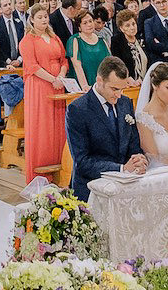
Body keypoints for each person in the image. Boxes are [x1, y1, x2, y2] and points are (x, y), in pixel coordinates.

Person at [62, 57, 145, 201]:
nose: (119, 95)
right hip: (91, 189)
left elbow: (133, 143)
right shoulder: (78, 109)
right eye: (114, 89)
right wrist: (121, 169)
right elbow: (82, 162)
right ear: (99, 81)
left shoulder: (125, 103)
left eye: (122, 89)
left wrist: (138, 159)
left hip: (125, 186)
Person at [18, 1, 70, 182]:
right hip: (40, 85)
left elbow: (64, 60)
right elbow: (32, 66)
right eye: (39, 17)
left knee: (58, 124)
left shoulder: (55, 37)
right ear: (32, 20)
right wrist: (52, 79)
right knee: (43, 125)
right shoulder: (27, 40)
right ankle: (40, 171)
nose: (44, 20)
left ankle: (59, 165)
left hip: (58, 83)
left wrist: (61, 75)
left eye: (46, 16)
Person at [68, 6, 112, 89]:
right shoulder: (75, 40)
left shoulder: (102, 40)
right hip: (84, 86)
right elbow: (77, 66)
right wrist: (85, 86)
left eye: (90, 21)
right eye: (85, 23)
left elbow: (110, 64)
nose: (89, 25)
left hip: (103, 86)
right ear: (79, 27)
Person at [108, 8, 146, 86]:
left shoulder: (141, 38)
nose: (132, 27)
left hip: (144, 82)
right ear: (121, 28)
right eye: (127, 25)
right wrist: (127, 78)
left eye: (133, 24)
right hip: (127, 83)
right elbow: (117, 64)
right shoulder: (116, 41)